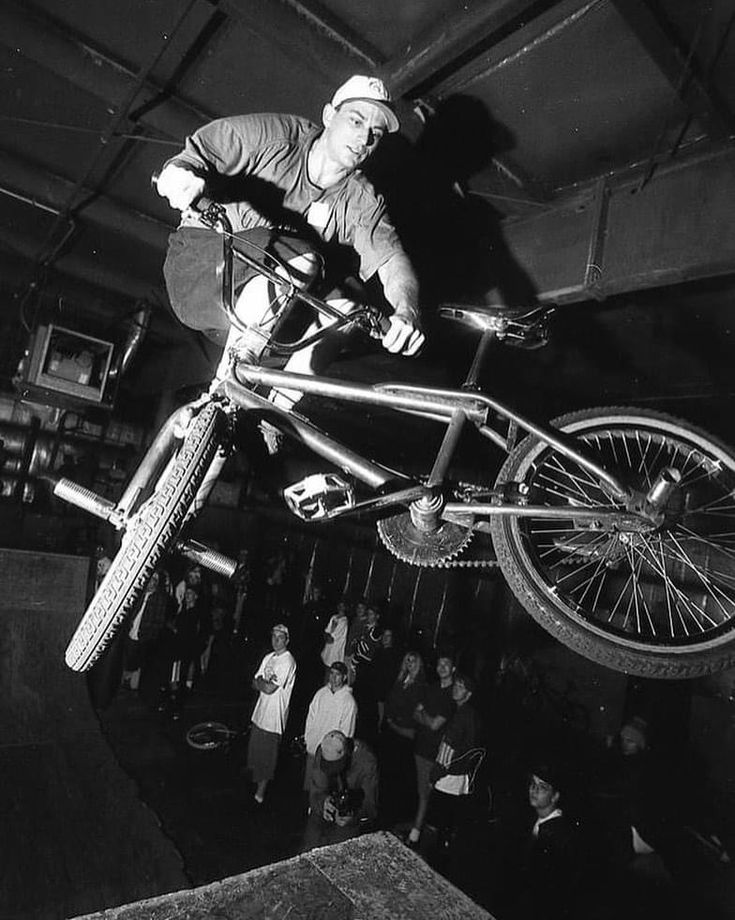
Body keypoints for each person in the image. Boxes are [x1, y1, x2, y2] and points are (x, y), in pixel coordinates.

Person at [155, 74, 424, 425]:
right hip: (201, 268)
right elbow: (204, 150)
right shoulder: (278, 137)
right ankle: (228, 383)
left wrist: (407, 311)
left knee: (346, 312)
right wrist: (181, 176)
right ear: (329, 116)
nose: (364, 138)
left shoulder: (362, 201)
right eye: (356, 121)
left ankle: (273, 416)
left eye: (375, 133)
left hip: (255, 312)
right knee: (302, 256)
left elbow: (392, 262)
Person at [406, 652, 456, 847]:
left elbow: (435, 724)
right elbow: (415, 713)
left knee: (426, 795)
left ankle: (415, 837)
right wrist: (426, 718)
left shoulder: (453, 694)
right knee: (422, 793)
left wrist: (423, 715)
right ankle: (418, 830)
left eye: (446, 664)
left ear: (453, 669)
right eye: (439, 664)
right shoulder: (432, 688)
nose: (442, 667)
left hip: (436, 753)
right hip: (421, 747)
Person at [430, 671, 483, 853]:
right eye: (456, 685)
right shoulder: (470, 714)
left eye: (461, 687)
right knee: (449, 823)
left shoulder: (461, 716)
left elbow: (448, 749)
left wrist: (434, 775)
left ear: (468, 694)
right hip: (460, 777)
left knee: (440, 824)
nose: (456, 689)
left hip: (449, 778)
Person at [301, 729, 378, 851]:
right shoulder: (323, 751)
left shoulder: (367, 762)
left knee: (337, 850)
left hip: (350, 816)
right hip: (327, 807)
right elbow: (316, 791)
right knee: (309, 845)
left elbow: (370, 807)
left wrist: (352, 816)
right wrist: (323, 803)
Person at [245, 623, 297, 804]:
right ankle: (256, 783)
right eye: (274, 636)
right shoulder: (268, 657)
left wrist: (260, 683)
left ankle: (261, 792)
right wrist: (260, 683)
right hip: (260, 713)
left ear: (287, 640)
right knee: (256, 751)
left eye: (280, 637)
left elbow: (267, 687)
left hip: (274, 717)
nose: (276, 640)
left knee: (268, 757)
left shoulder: (288, 661)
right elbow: (254, 682)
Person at [303, 660, 357, 789]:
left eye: (337, 674)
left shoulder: (349, 702)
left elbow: (347, 731)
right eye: (331, 673)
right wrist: (308, 739)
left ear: (344, 677)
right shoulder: (321, 693)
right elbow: (310, 718)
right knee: (309, 786)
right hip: (313, 749)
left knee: (324, 789)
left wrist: (337, 754)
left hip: (329, 755)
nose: (333, 677)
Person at [320, 597, 350, 673]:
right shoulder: (334, 617)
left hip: (335, 653)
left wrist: (328, 634)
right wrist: (327, 634)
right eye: (339, 605)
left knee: (331, 672)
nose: (340, 607)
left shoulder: (344, 622)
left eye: (343, 606)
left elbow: (331, 639)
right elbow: (326, 632)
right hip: (328, 650)